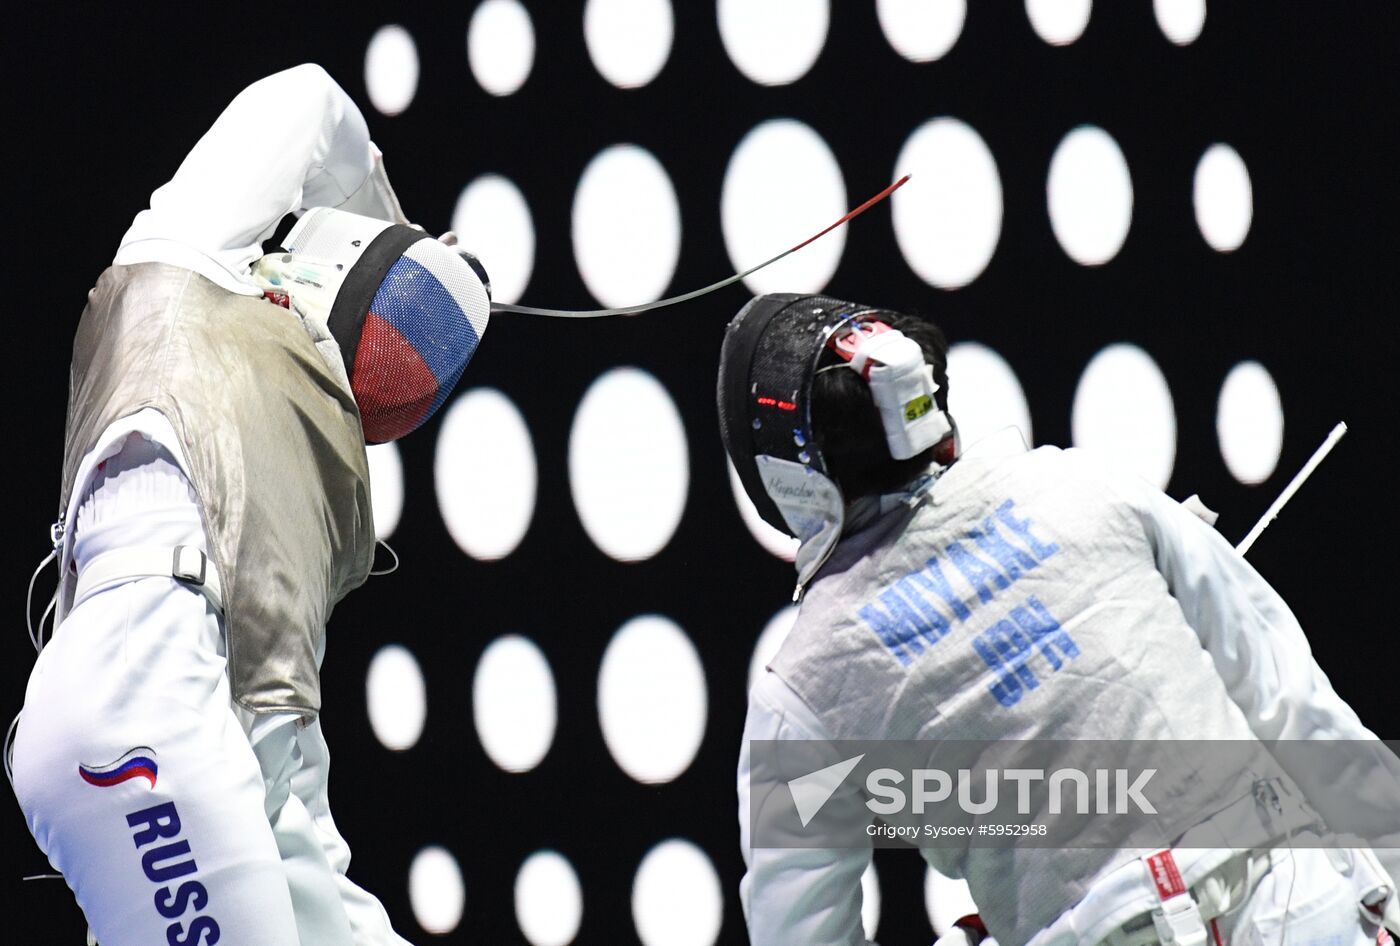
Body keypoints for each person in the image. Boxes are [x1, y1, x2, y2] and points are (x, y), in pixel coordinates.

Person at [719, 293, 1400, 946]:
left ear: (785, 480)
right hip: (1300, 908)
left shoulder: (806, 691)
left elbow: (797, 931)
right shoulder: (1085, 488)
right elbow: (1300, 713)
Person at [8, 64, 489, 945]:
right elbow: (284, 778)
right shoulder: (335, 498)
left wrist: (390, 222)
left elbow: (308, 98)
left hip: (131, 725)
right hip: (146, 734)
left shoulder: (179, 282)